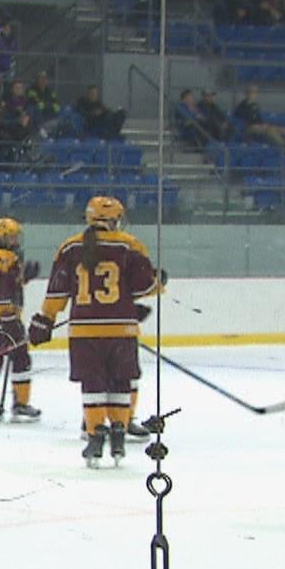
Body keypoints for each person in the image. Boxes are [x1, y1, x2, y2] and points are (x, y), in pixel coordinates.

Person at [29, 196, 165, 466]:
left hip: (84, 332)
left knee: (93, 384)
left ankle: (95, 435)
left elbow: (58, 290)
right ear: (114, 219)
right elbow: (142, 288)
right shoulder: (129, 245)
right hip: (121, 330)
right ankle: (118, 433)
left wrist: (45, 319)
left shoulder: (70, 247)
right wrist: (159, 282)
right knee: (120, 382)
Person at [0, 217, 41, 426]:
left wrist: (23, 278)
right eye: (12, 235)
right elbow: (1, 289)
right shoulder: (1, 256)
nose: (16, 239)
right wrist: (7, 315)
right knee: (20, 357)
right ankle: (20, 403)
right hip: (3, 315)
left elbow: (7, 283)